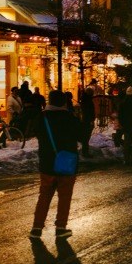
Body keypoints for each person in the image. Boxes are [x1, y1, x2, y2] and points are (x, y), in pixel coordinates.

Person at [29, 90, 82, 239]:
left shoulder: (41, 117)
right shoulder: (70, 118)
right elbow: (82, 135)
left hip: (47, 163)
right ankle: (60, 227)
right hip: (66, 162)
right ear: (64, 102)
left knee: (44, 195)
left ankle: (37, 227)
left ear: (49, 101)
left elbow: (36, 132)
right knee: (64, 196)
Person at [117, 86, 132, 165]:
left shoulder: (123, 103)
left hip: (126, 126)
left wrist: (123, 124)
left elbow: (120, 115)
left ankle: (126, 159)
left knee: (127, 143)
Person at [79, 79, 97, 158]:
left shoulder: (85, 99)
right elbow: (88, 111)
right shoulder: (87, 101)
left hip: (87, 120)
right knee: (86, 137)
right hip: (87, 121)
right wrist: (90, 120)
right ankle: (85, 153)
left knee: (86, 137)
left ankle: (85, 152)